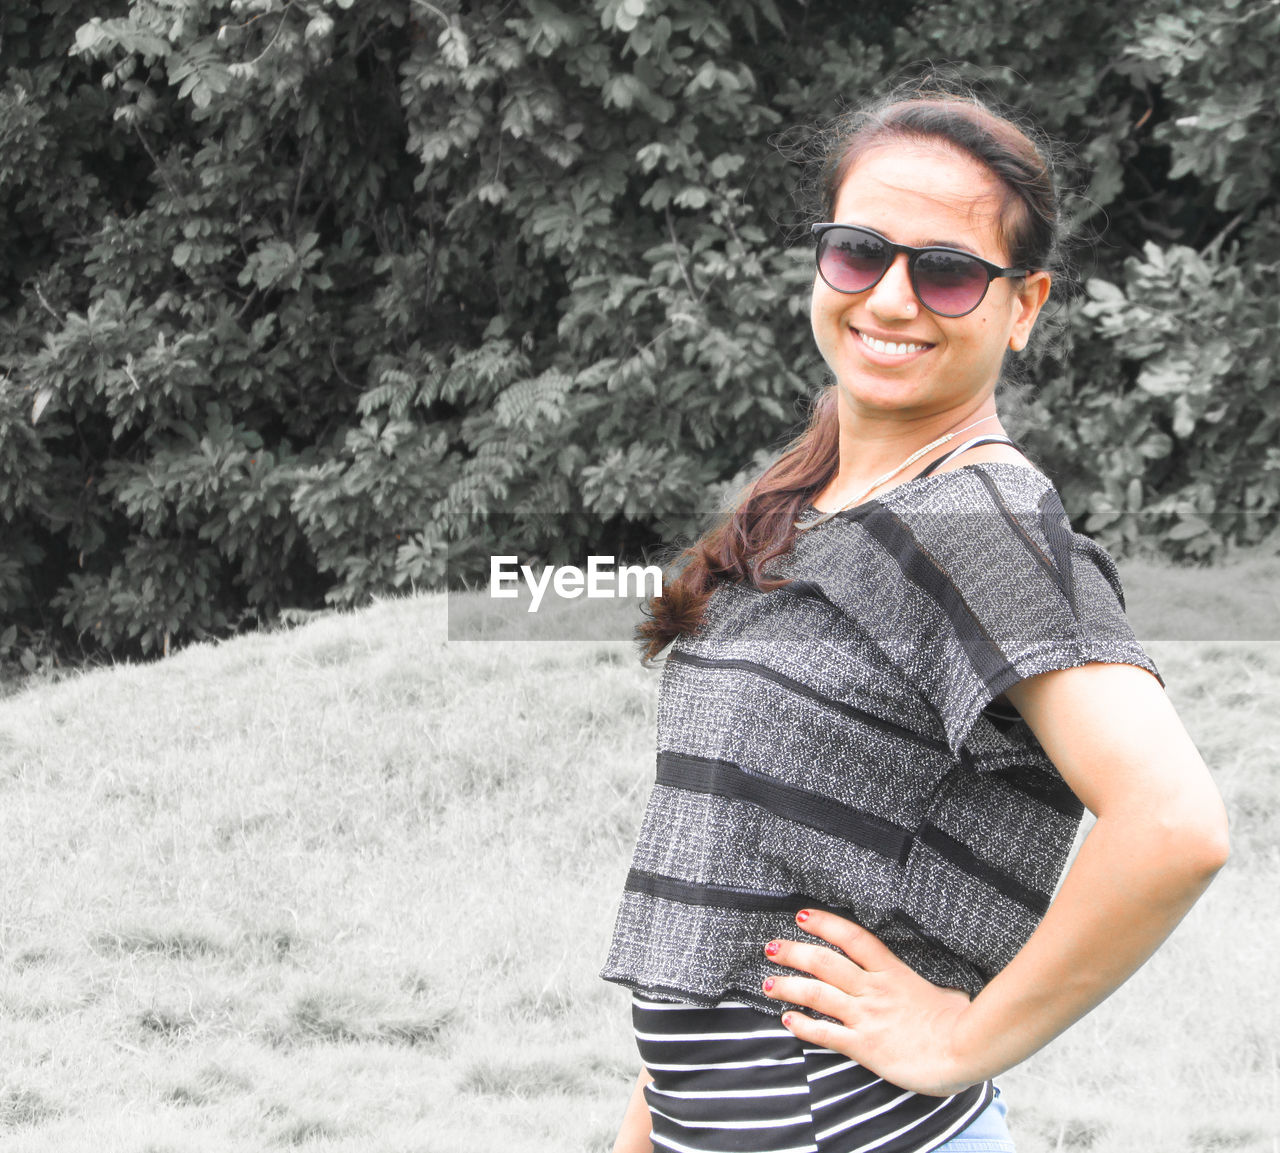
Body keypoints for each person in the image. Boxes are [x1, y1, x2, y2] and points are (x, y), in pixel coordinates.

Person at [600, 88, 1230, 1153]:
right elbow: (732, 885)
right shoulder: (809, 510)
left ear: (1021, 305)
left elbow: (1171, 826)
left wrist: (961, 1040)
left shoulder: (974, 522)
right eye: (857, 253)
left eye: (943, 270)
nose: (889, 298)